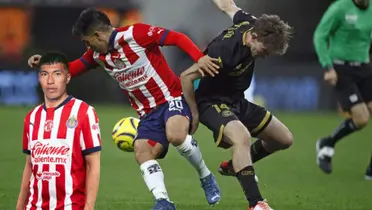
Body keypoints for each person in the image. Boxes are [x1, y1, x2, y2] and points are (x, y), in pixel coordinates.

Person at [28, 8, 220, 210]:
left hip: (171, 98)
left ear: (98, 35)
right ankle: (163, 202)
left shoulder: (136, 34)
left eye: (86, 41)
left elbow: (177, 38)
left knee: (175, 134)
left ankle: (206, 176)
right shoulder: (97, 54)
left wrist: (199, 58)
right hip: (147, 114)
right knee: (142, 150)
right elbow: (73, 69)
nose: (87, 46)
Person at [180, 0, 294, 209]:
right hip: (212, 103)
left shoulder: (251, 23)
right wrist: (194, 113)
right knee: (242, 137)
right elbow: (186, 77)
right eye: (265, 50)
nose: (266, 55)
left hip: (237, 101)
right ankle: (256, 203)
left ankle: (236, 165)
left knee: (284, 139)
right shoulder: (222, 52)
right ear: (254, 37)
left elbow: (227, 5)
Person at [16, 52, 101, 210]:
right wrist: (19, 206)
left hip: (71, 206)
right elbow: (29, 165)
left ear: (67, 78)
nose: (50, 81)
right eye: (44, 74)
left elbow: (93, 165)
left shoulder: (84, 112)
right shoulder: (31, 117)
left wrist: (89, 208)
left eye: (57, 74)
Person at [313, 0, 372, 179]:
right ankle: (327, 142)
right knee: (361, 119)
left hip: (364, 67)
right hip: (341, 69)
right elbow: (320, 35)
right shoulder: (340, 8)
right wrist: (328, 67)